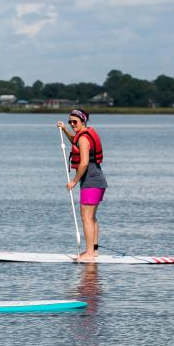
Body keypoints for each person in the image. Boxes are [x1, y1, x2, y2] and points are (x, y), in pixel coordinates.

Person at [57, 108, 107, 262]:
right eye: (69, 121)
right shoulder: (84, 135)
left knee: (86, 218)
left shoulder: (84, 138)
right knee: (91, 218)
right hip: (98, 181)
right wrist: (64, 130)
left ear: (83, 120)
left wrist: (74, 181)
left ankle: (89, 253)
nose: (72, 124)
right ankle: (94, 251)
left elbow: (84, 163)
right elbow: (75, 141)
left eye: (75, 122)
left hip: (91, 182)